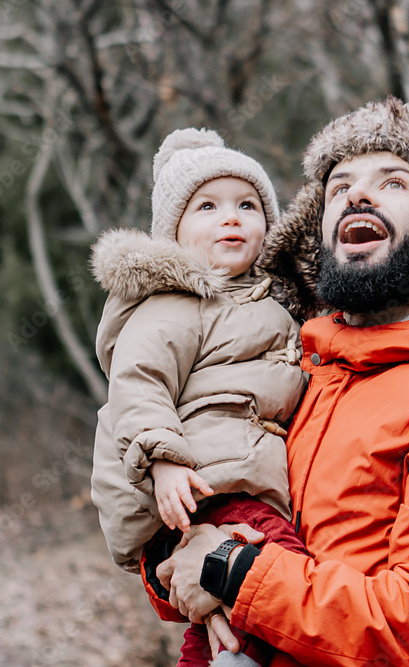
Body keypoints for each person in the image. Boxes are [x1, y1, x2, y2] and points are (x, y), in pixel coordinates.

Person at [155, 97, 409, 666]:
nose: (357, 196)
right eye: (339, 186)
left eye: (393, 182)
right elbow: (220, 530)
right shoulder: (301, 374)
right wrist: (178, 553)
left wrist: (232, 572)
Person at [90, 128, 309, 666]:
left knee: (230, 615)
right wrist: (165, 463)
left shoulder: (266, 303)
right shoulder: (175, 303)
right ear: (175, 234)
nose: (231, 217)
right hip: (208, 486)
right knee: (283, 586)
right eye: (208, 206)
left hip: (244, 485)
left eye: (248, 205)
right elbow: (140, 383)